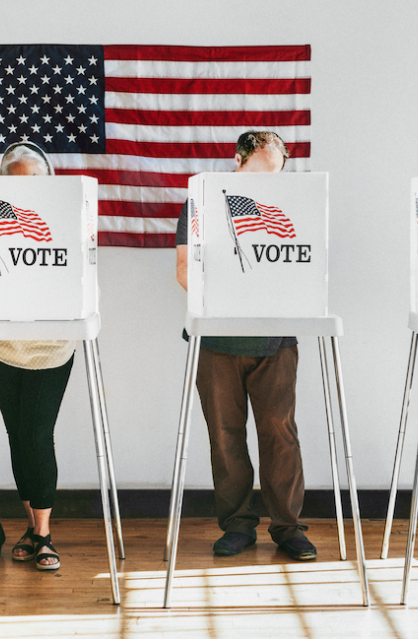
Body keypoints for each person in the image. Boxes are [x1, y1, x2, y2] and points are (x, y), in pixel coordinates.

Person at [174, 131, 316, 561]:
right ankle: (237, 525)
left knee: (280, 434)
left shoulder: (291, 207)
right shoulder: (200, 203)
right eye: (258, 173)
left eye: (275, 176)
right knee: (225, 437)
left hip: (276, 339)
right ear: (237, 161)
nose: (265, 185)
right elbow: (184, 269)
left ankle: (288, 527)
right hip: (217, 338)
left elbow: (306, 265)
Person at [0, 141, 72, 571]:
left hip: (50, 347)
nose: (26, 190)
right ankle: (31, 527)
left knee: (38, 434)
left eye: (33, 181)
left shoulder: (67, 219)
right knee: (17, 434)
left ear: (48, 181)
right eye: (15, 183)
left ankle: (44, 533)